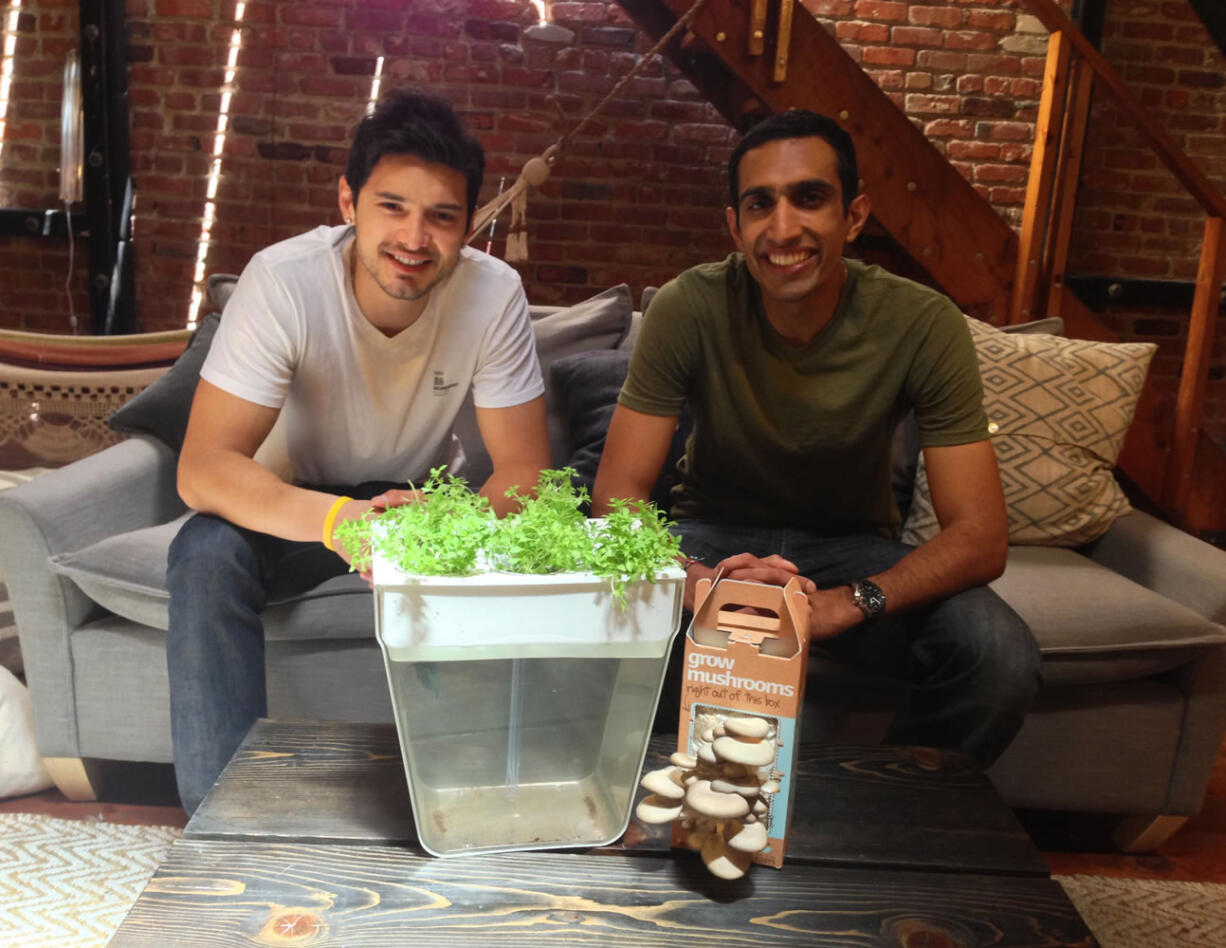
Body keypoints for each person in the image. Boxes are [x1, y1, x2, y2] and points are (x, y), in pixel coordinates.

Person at [592, 110, 1040, 766]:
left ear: (853, 217)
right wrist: (696, 585)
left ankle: (878, 808)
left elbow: (980, 536)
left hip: (852, 549)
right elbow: (618, 496)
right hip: (711, 533)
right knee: (599, 615)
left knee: (998, 655)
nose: (783, 228)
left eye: (809, 198)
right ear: (734, 225)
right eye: (759, 204)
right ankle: (664, 805)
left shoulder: (923, 322)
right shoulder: (689, 306)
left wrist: (846, 604)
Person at [166, 89, 551, 812]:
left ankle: (482, 803)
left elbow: (526, 471)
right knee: (203, 551)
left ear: (471, 226)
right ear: (348, 201)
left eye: (442, 216)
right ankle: (222, 821)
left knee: (530, 544)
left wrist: (445, 527)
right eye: (392, 207)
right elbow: (204, 468)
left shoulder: (494, 294)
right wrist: (342, 521)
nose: (415, 238)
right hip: (293, 504)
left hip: (421, 502)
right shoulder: (283, 282)